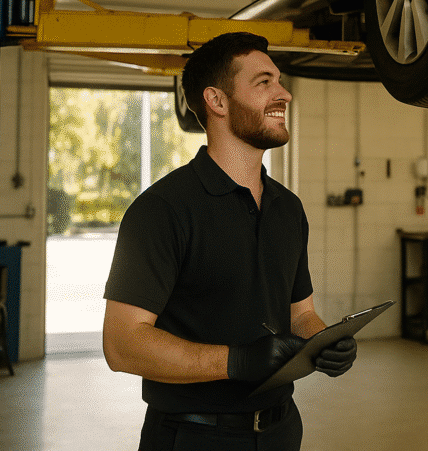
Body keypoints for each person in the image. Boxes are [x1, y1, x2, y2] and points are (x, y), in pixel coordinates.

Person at [102, 31, 357, 451]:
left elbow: (301, 314)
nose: (285, 94)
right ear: (217, 101)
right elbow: (122, 344)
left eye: (279, 80)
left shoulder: (288, 208)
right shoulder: (161, 210)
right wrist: (235, 361)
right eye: (264, 83)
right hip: (194, 437)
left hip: (281, 430)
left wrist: (323, 342)